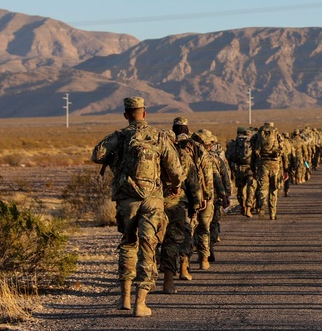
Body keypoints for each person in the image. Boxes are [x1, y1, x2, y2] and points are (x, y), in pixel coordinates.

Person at [91, 97, 183, 317]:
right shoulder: (159, 136)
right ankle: (140, 302)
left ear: (126, 115)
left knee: (127, 244)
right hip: (152, 199)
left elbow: (97, 155)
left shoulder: (120, 136)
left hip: (127, 199)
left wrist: (116, 157)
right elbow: (176, 171)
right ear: (144, 112)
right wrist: (175, 186)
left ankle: (124, 297)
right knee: (148, 246)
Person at [158, 117, 205, 291]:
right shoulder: (183, 156)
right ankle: (168, 281)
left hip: (151, 203)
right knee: (172, 241)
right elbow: (193, 184)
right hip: (176, 205)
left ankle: (146, 279)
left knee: (150, 241)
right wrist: (195, 206)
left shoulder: (151, 156)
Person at [191, 129, 225, 269]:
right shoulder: (209, 157)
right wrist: (221, 194)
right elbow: (215, 179)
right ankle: (204, 259)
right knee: (204, 228)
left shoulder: (184, 155)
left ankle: (184, 263)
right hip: (206, 198)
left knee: (189, 229)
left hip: (188, 197)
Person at [251, 122, 285, 220]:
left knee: (262, 188)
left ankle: (262, 205)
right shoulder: (277, 134)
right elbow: (281, 150)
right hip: (274, 164)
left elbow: (253, 153)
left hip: (262, 164)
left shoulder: (257, 135)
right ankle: (273, 213)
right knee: (273, 189)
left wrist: (253, 168)